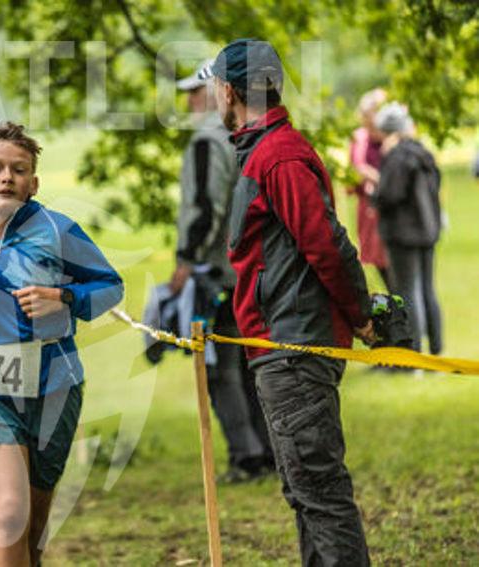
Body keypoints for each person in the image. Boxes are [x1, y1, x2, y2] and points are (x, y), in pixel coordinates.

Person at [0, 122, 123, 566]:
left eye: (19, 169)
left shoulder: (58, 231)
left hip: (55, 389)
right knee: (9, 511)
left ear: (34, 183)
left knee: (32, 533)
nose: (7, 178)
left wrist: (64, 297)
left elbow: (111, 287)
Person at [212, 38, 376, 565]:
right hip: (279, 347)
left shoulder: (278, 156)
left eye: (215, 86)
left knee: (320, 494)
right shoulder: (261, 151)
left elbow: (326, 245)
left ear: (231, 91)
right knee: (305, 494)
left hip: (295, 348)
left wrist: (363, 316)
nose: (214, 96)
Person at [171, 59, 273, 482]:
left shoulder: (207, 141)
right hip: (257, 270)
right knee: (253, 364)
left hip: (219, 272)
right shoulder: (253, 133)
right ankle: (267, 451)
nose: (190, 102)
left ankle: (247, 456)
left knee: (220, 369)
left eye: (195, 92)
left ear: (216, 92)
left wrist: (185, 258)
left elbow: (204, 209)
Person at [372, 103, 443, 355]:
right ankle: (436, 350)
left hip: (404, 233)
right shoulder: (423, 153)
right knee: (427, 289)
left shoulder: (397, 157)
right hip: (427, 229)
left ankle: (413, 353)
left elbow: (389, 194)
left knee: (407, 292)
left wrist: (373, 195)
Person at [348, 88, 392, 291]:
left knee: (394, 268)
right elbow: (351, 180)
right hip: (368, 212)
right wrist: (358, 176)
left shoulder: (392, 140)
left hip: (389, 210)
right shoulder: (358, 139)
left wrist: (373, 176)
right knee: (379, 265)